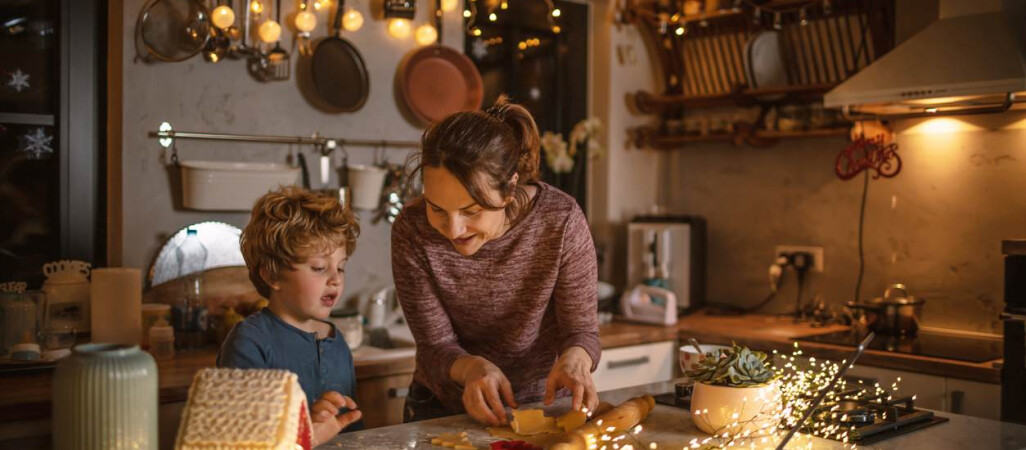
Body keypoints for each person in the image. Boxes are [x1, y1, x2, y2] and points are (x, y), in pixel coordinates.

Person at [391, 96, 600, 426]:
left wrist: (576, 359)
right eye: (437, 208)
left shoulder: (560, 221)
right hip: (444, 410)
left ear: (509, 189)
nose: (453, 229)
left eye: (471, 210)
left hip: (543, 409)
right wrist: (474, 368)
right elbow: (435, 346)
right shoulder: (412, 229)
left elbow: (581, 331)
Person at [218, 186, 362, 444]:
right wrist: (303, 434)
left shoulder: (337, 343)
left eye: (340, 268)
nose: (335, 280)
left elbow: (353, 433)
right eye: (319, 268)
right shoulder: (250, 344)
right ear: (272, 275)